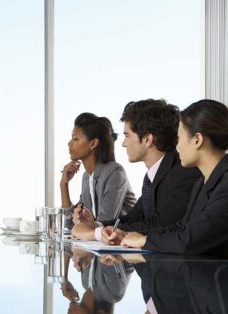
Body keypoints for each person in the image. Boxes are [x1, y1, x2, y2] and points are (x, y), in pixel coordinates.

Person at [110, 99, 228, 255]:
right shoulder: (202, 182)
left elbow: (189, 240)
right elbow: (180, 227)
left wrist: (144, 240)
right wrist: (131, 236)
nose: (177, 146)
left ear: (197, 140)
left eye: (179, 139)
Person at [72, 99, 201, 241]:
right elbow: (132, 219)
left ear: (147, 139)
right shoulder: (154, 174)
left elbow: (160, 224)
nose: (123, 143)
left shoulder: (184, 173)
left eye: (127, 135)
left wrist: (98, 232)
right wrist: (95, 224)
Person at [60, 112, 136, 229]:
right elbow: (70, 225)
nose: (69, 143)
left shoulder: (115, 172)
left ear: (93, 143)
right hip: (105, 243)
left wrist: (84, 225)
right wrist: (63, 184)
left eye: (75, 138)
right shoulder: (87, 177)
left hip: (127, 243)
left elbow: (105, 223)